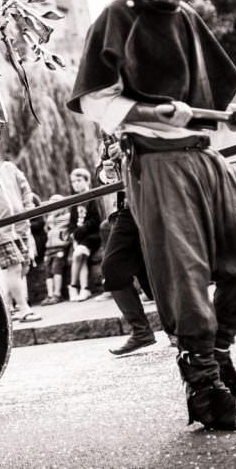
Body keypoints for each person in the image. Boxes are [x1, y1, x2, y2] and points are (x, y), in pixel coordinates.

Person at [68, 0, 236, 431]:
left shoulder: (184, 15)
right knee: (182, 279)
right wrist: (145, 110)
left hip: (203, 155)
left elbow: (219, 93)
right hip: (157, 163)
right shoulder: (116, 17)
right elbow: (94, 99)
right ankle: (204, 388)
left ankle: (219, 353)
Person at [97, 140, 157, 355]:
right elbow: (101, 173)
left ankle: (177, 329)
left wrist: (130, 146)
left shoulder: (138, 116)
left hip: (154, 198)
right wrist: (108, 171)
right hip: (124, 207)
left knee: (156, 271)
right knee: (115, 269)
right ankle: (142, 331)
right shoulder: (106, 131)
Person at [0, 157, 42, 323]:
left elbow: (25, 188)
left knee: (24, 265)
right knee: (14, 266)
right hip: (0, 231)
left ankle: (10, 304)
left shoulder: (9, 168)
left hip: (20, 225)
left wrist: (28, 209)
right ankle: (23, 309)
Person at [66, 167, 106, 301]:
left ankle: (72, 286)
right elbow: (72, 223)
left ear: (87, 181)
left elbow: (95, 220)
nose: (75, 184)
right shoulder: (74, 202)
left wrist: (78, 232)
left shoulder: (92, 198)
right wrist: (72, 234)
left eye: (78, 180)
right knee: (80, 257)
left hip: (91, 236)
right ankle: (85, 288)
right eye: (73, 182)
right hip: (80, 238)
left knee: (78, 254)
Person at [41, 194, 72, 304]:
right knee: (47, 272)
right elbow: (47, 229)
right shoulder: (50, 219)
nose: (53, 209)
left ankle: (57, 294)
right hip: (49, 248)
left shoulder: (67, 217)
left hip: (60, 247)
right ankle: (50, 295)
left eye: (56, 206)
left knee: (56, 269)